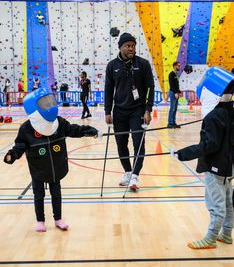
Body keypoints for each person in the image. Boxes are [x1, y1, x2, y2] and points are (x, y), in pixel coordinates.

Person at [3, 88, 99, 232]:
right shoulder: (27, 129)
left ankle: (58, 219)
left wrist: (90, 131)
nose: (49, 106)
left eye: (50, 101)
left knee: (56, 194)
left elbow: (73, 129)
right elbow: (20, 145)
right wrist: (12, 155)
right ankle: (40, 221)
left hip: (56, 166)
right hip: (38, 168)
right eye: (44, 103)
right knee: (39, 195)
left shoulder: (58, 123)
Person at [176, 67, 234, 249]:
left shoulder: (213, 116)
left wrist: (185, 153)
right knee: (228, 201)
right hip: (228, 165)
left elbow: (209, 145)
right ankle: (226, 234)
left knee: (216, 204)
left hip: (215, 165)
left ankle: (211, 238)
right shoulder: (231, 111)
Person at [104, 33, 155, 190]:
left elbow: (150, 88)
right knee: (121, 144)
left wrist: (148, 109)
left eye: (133, 45)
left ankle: (135, 176)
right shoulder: (112, 66)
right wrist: (107, 111)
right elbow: (108, 90)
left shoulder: (143, 64)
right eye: (127, 45)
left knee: (139, 143)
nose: (131, 48)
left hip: (138, 110)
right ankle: (127, 171)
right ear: (120, 47)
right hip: (119, 111)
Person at [167, 61, 181, 128]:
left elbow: (176, 85)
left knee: (175, 109)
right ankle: (170, 123)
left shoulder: (176, 74)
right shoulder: (171, 74)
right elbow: (171, 85)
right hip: (173, 93)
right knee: (172, 108)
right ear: (175, 66)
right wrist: (175, 92)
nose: (179, 67)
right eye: (178, 66)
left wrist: (179, 92)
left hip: (176, 93)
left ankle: (173, 122)